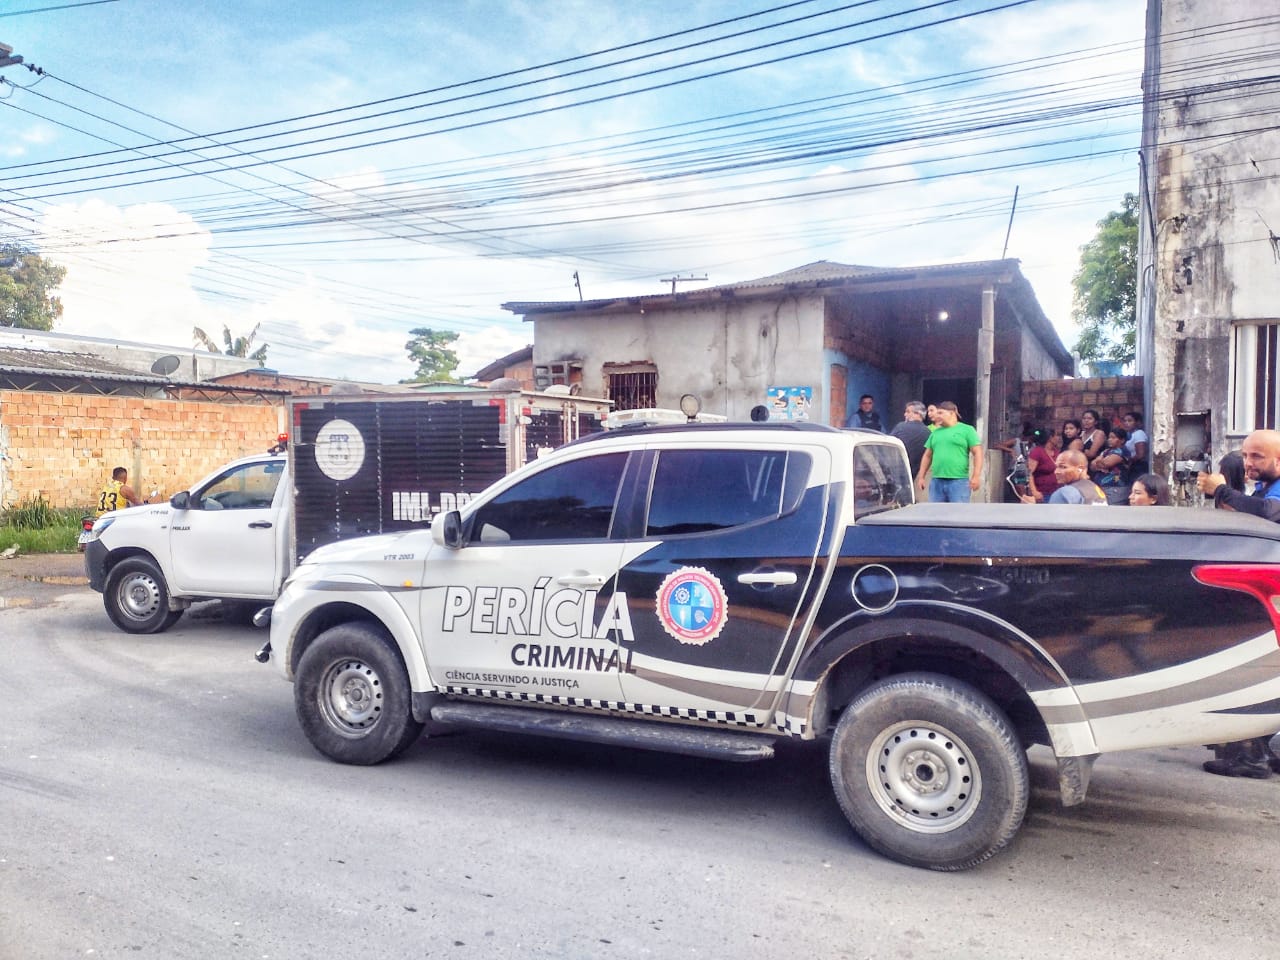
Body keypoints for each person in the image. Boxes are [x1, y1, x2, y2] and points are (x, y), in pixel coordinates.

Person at [1194, 431, 1280, 777]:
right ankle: (1254, 751)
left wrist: (1221, 490)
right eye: (1246, 456)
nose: (1249, 463)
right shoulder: (1264, 488)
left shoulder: (1271, 495)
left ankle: (1252, 758)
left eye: (1258, 456)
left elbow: (1268, 513)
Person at [916, 401, 983, 503]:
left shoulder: (967, 430)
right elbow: (927, 456)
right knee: (934, 515)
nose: (936, 416)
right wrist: (921, 477)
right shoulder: (935, 433)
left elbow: (977, 453)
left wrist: (976, 476)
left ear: (952, 413)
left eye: (940, 413)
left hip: (958, 482)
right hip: (936, 482)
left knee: (958, 515)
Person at [1020, 450, 1106, 505]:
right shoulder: (1094, 487)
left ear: (1080, 469)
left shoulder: (1065, 493)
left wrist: (1031, 509)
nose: (1056, 472)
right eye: (1056, 467)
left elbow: (1051, 525)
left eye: (1063, 467)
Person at [889, 400, 931, 478]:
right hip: (914, 473)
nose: (905, 414)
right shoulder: (928, 433)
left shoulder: (901, 426)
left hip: (896, 471)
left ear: (917, 414)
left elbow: (888, 444)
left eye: (908, 412)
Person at [1089, 428, 1131, 501]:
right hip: (1101, 487)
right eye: (1109, 437)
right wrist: (1099, 461)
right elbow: (1092, 466)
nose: (1109, 440)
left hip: (1115, 488)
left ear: (1122, 440)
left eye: (1113, 437)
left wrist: (1099, 461)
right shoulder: (1107, 451)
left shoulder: (1122, 451)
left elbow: (1105, 464)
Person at [1023, 428, 1062, 502]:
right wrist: (1034, 491)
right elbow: (1029, 473)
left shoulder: (1056, 452)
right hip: (1042, 493)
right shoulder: (1037, 452)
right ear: (1050, 438)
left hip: (1056, 492)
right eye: (1057, 435)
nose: (1059, 438)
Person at [1121, 411, 1149, 476]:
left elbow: (1140, 455)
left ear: (1136, 422)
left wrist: (1128, 461)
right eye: (1125, 421)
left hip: (1138, 467)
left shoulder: (1139, 434)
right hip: (1132, 466)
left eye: (1130, 421)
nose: (1126, 423)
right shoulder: (1129, 434)